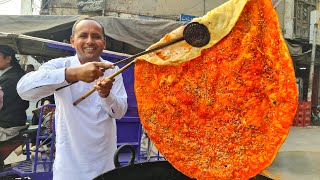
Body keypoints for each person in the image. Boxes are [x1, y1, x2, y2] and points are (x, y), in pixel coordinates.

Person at [17, 17, 128, 179]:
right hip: (69, 166)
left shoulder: (113, 70)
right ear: (72, 41)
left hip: (104, 162)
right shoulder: (59, 65)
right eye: (83, 36)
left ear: (104, 43)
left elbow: (119, 112)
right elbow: (23, 90)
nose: (90, 41)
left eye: (96, 37)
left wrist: (106, 94)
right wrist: (72, 73)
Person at [0, 45, 29, 169]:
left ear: (8, 59)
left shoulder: (10, 79)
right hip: (16, 121)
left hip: (7, 126)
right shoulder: (16, 75)